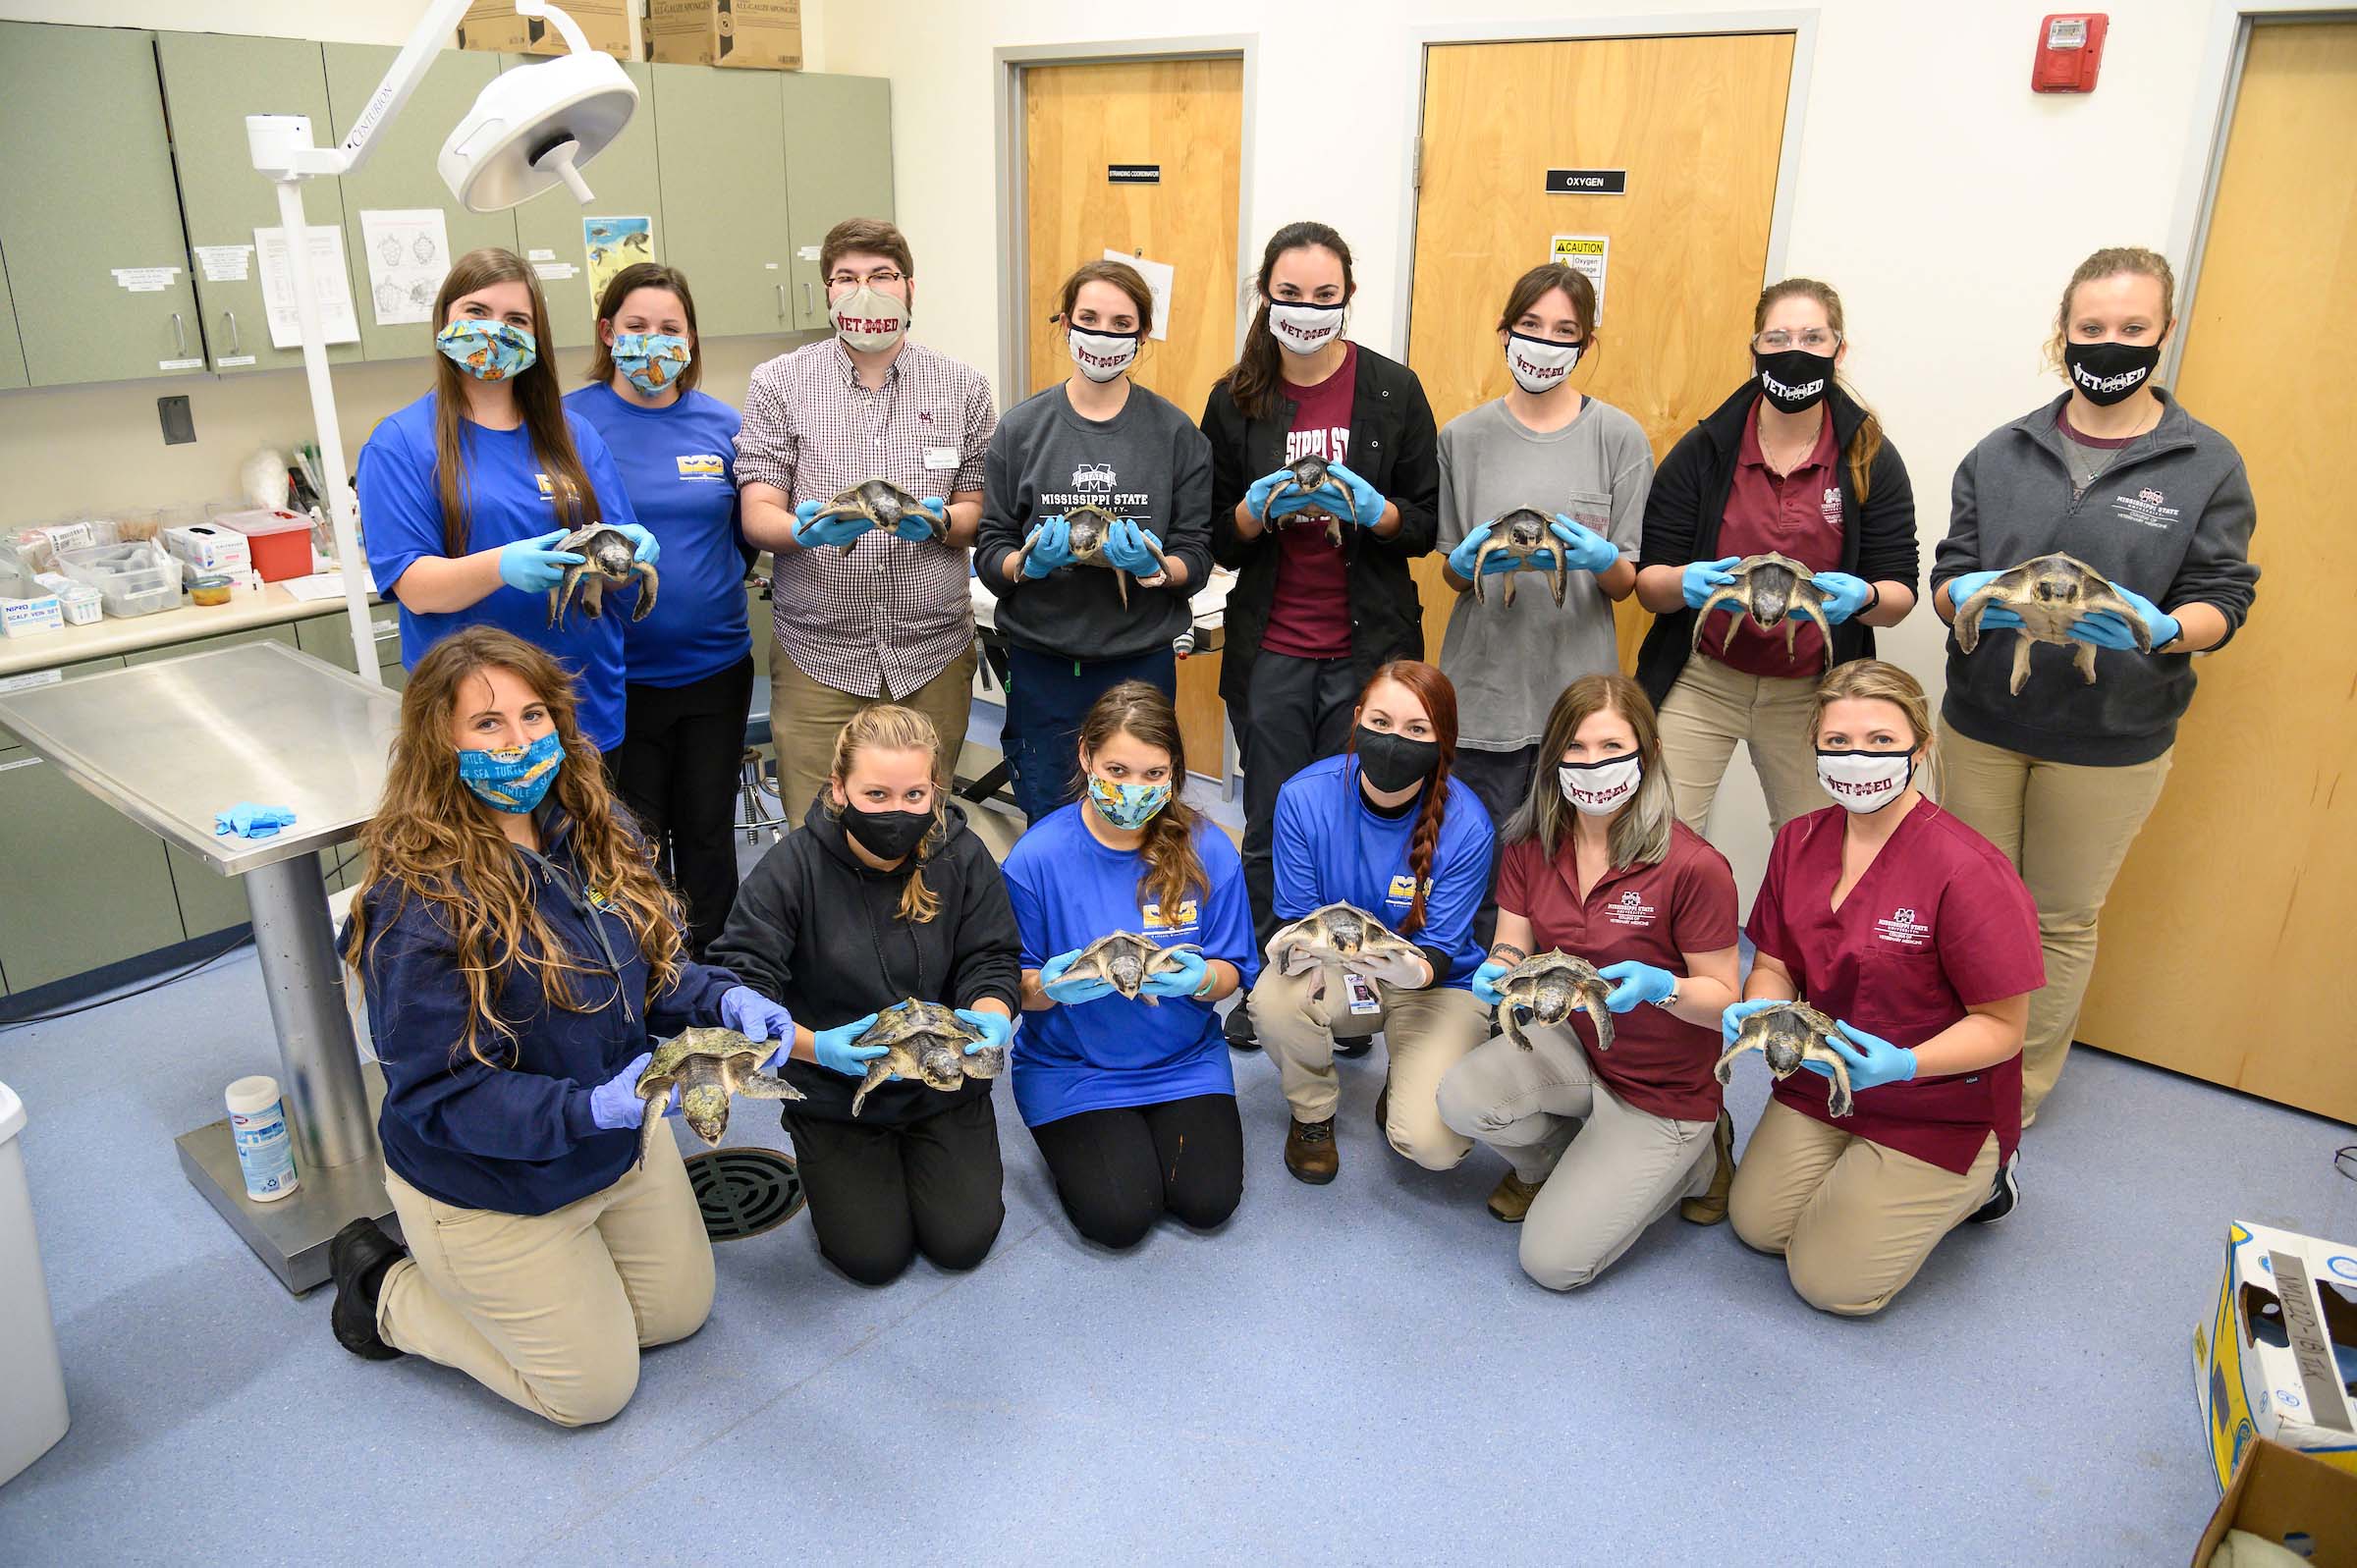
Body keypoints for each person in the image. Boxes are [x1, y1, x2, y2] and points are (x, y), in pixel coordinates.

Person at [324, 627, 794, 1426]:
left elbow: (654, 969)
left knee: (676, 1315)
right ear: (438, 742)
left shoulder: (596, 821)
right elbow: (442, 1093)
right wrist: (585, 1110)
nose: (520, 742)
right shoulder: (417, 904)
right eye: (488, 724)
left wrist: (722, 999)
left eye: (534, 716)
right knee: (589, 1391)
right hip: (490, 1178)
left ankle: (559, 1274)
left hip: (612, 1142)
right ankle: (387, 1291)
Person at [1931, 245, 2258, 1128]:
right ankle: (1946, 1060)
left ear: (2164, 334)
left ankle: (2018, 1090)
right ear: (2063, 334)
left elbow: (2225, 597)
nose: (2109, 345)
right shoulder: (2001, 452)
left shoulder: (2204, 463)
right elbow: (1952, 570)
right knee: (1961, 906)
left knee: (2059, 920)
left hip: (2111, 740)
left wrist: (2166, 628)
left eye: (2132, 329)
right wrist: (1959, 595)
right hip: (1984, 722)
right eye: (2091, 329)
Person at [1724, 660, 2044, 1316]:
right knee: (1757, 1226)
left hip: (1933, 1100)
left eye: (1879, 741)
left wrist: (1907, 1063)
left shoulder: (1968, 870)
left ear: (1920, 748)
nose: (1857, 758)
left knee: (1829, 1282)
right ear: (1814, 746)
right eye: (1838, 742)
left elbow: (2003, 1026)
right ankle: (1856, 1174)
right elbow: (1777, 957)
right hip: (1825, 1082)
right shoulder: (1797, 842)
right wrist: (1761, 998)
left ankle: (1989, 1178)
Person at [1202, 221, 1441, 1050]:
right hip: (1272, 648)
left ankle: (1350, 987)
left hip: (1367, 649)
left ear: (1348, 299)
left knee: (1356, 821)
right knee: (1270, 819)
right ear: (1266, 294)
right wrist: (1254, 508)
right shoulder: (1237, 397)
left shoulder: (1392, 390)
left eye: (1323, 297)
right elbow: (1215, 540)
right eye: (1290, 295)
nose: (1305, 311)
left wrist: (1368, 510)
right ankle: (1273, 975)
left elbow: (1421, 525)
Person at [1436, 675, 1741, 1289]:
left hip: (1662, 1088)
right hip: (1577, 1047)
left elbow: (1725, 1005)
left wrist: (1663, 988)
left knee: (1552, 1264)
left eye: (1610, 749)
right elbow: (1511, 942)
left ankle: (1700, 1160)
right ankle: (1558, 1162)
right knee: (1462, 1097)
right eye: (1573, 749)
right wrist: (1497, 969)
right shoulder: (1530, 845)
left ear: (1648, 754)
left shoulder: (1695, 866)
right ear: (1552, 759)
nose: (1591, 765)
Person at [705, 704, 1019, 1286]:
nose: (895, 814)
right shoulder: (791, 870)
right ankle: (828, 1150)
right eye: (875, 795)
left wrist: (991, 1017)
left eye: (913, 796)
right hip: (835, 1094)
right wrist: (812, 1047)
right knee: (872, 1258)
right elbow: (738, 980)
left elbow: (991, 957)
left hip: (942, 1083)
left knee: (962, 1241)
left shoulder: (962, 856)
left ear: (934, 792)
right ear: (838, 788)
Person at [1631, 278, 1917, 837]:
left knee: (1819, 847)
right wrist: (1684, 581)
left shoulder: (1868, 457)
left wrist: (1867, 598)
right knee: (1656, 840)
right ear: (1755, 349)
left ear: (1839, 348)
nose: (1795, 353)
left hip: (1815, 688)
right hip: (1703, 677)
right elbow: (1649, 582)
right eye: (1778, 338)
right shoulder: (1706, 450)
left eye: (1813, 338)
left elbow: (1899, 592)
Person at [735, 217, 999, 818]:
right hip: (818, 653)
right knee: (815, 833)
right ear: (826, 292)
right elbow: (758, 512)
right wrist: (802, 531)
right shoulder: (780, 382)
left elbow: (977, 509)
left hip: (930, 650)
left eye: (881, 276)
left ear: (910, 287)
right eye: (845, 278)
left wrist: (940, 522)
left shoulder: (963, 386)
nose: (864, 290)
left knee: (921, 829)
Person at [358, 247, 659, 763]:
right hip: (477, 720)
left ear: (535, 338)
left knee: (593, 843)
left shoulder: (573, 435)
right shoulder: (401, 443)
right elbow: (414, 587)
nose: (496, 330)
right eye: (477, 313)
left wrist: (632, 558)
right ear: (445, 320)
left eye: (516, 320)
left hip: (582, 703)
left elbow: (616, 571)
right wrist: (502, 566)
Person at [1002, 682, 1257, 1247]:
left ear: (1173, 773)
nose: (1133, 789)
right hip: (1073, 1068)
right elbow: (1008, 987)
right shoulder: (1037, 859)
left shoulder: (1207, 849)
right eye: (1116, 770)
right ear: (1085, 757)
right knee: (1120, 1219)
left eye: (1152, 774)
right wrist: (1052, 985)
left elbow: (1235, 969)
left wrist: (1201, 980)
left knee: (1207, 1204)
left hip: (1183, 1058)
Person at [1434, 263, 1651, 926]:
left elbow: (1629, 580)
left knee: (1575, 849)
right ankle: (1474, 988)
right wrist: (1466, 561)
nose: (1544, 343)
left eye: (1565, 331)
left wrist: (1604, 558)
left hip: (1576, 684)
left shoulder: (1620, 438)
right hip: (1485, 685)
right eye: (1531, 326)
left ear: (1586, 344)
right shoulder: (1462, 437)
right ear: (1504, 332)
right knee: (1480, 851)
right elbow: (1449, 567)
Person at [974, 260, 1214, 821]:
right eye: (1089, 318)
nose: (1102, 335)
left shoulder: (1176, 435)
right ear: (1065, 324)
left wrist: (1156, 569)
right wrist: (1027, 566)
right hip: (1043, 666)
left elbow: (1196, 554)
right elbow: (991, 551)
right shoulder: (1021, 430)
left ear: (1143, 334)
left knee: (1140, 823)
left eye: (1120, 322)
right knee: (1049, 817)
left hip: (1139, 665)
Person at [565, 261, 750, 955]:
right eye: (636, 327)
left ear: (692, 340)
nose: (652, 342)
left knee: (707, 837)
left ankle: (718, 982)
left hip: (714, 670)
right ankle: (649, 977)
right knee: (629, 845)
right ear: (608, 333)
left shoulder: (723, 426)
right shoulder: (568, 422)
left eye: (669, 329)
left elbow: (740, 539)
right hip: (615, 680)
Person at [1248, 661, 1493, 1183]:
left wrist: (1411, 971)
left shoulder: (1469, 825)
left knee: (1430, 1144)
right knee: (1273, 1000)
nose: (1394, 742)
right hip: (1340, 966)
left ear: (1443, 739)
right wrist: (1296, 954)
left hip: (1434, 983)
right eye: (1380, 723)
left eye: (1416, 730)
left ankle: (1407, 1078)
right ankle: (1312, 1114)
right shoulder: (1303, 797)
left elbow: (1442, 948)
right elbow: (1297, 916)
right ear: (1356, 720)